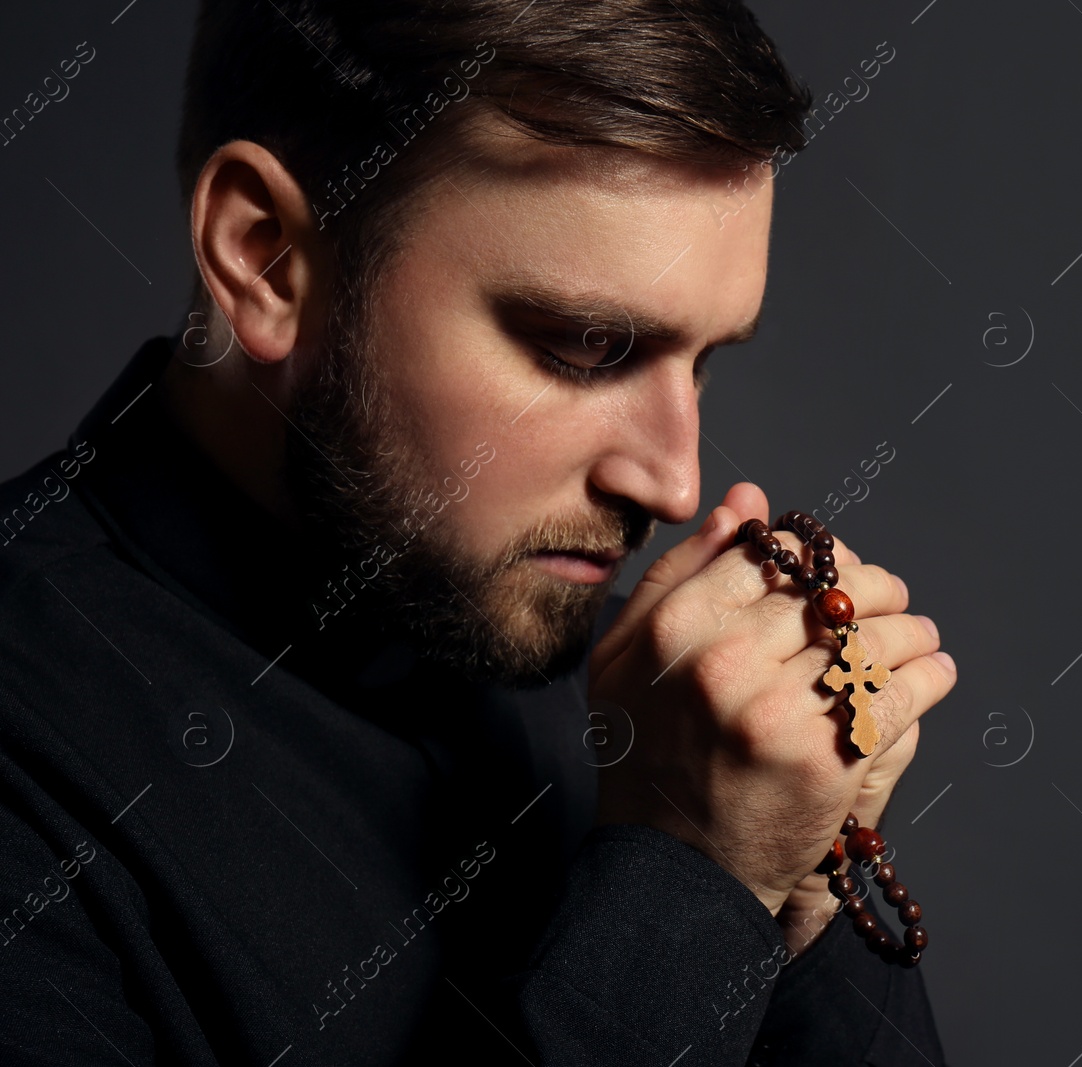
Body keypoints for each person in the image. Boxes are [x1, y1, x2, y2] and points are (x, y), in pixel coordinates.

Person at [0, 1, 958, 1064]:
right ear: (267, 258)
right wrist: (692, 886)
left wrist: (793, 876)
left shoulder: (646, 700)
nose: (676, 482)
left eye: (703, 361)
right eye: (584, 346)